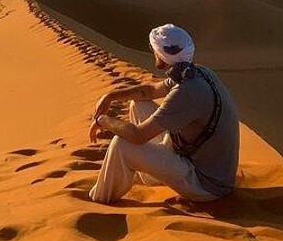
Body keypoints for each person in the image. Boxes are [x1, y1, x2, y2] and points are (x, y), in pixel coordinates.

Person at [88, 23, 239, 204]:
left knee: (121, 145)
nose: (152, 52)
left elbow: (138, 136)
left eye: (153, 48)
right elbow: (150, 91)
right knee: (138, 103)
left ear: (161, 54)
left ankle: (99, 201)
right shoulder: (198, 73)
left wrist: (102, 120)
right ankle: (150, 174)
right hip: (193, 156)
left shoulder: (186, 92)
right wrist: (110, 96)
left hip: (205, 184)